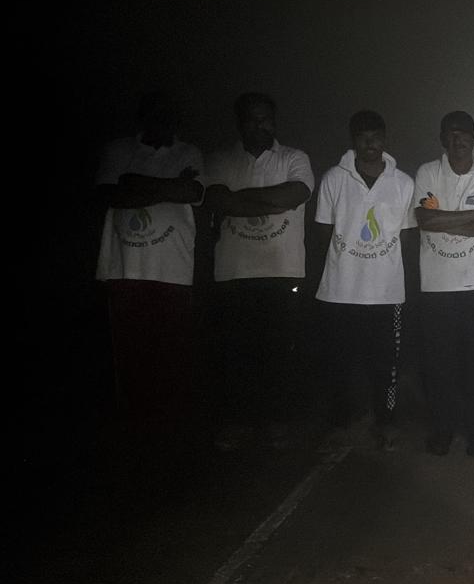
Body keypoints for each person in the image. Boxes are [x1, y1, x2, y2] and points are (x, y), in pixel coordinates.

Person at [95, 92, 204, 455]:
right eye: (157, 115)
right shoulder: (118, 150)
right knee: (130, 354)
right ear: (142, 118)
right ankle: (135, 426)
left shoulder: (189, 152)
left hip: (174, 269)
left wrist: (132, 182)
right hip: (124, 268)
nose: (165, 122)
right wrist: (168, 188)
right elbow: (109, 196)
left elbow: (191, 191)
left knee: (173, 352)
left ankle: (172, 427)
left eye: (171, 115)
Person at [203, 93, 314, 450]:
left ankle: (277, 421)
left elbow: (294, 195)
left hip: (282, 270)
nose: (261, 125)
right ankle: (237, 422)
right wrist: (269, 199)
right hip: (233, 272)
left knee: (279, 353)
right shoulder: (221, 159)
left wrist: (238, 200)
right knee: (236, 353)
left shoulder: (294, 158)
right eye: (253, 119)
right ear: (240, 123)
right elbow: (216, 200)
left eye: (267, 119)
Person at [314, 111, 416, 450]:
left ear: (385, 139)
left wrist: (380, 265)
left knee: (386, 365)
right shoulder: (334, 178)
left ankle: (386, 422)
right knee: (338, 363)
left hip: (386, 294)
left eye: (376, 136)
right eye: (363, 136)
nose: (370, 143)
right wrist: (346, 263)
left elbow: (405, 236)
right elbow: (323, 231)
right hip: (340, 290)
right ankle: (339, 422)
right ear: (353, 140)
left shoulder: (403, 183)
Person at [414, 110, 474, 457]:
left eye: (464, 133)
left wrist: (445, 220)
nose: (458, 139)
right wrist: (473, 215)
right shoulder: (427, 172)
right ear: (442, 139)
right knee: (440, 368)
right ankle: (442, 432)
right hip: (436, 287)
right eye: (450, 134)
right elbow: (424, 219)